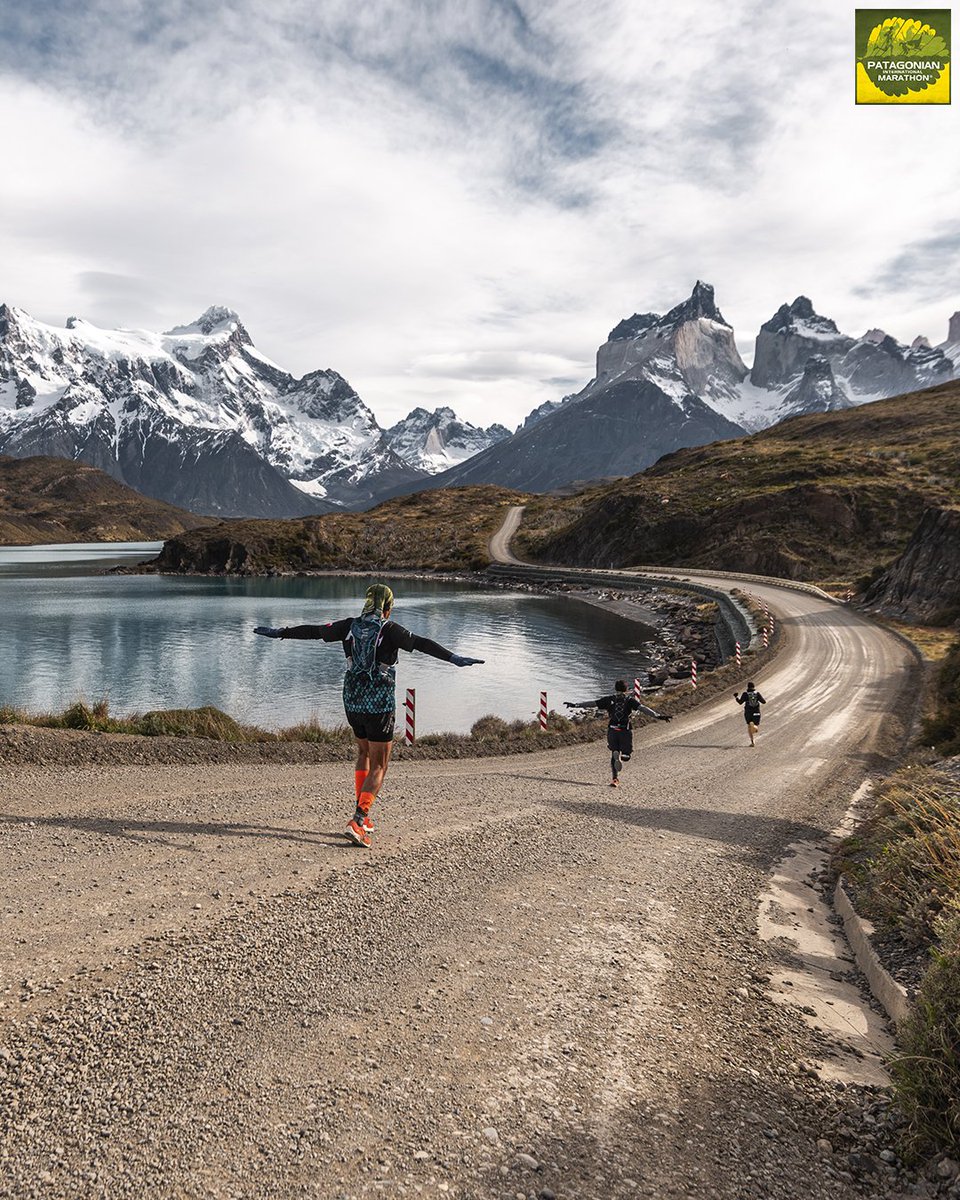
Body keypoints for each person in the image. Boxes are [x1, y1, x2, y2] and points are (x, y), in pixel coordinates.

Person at [254, 583, 483, 847]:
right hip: (379, 707)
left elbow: (315, 631)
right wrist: (453, 658)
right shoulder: (391, 630)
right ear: (388, 607)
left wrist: (281, 632)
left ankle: (364, 815)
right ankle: (358, 820)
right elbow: (422, 644)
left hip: (352, 703)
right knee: (380, 765)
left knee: (363, 754)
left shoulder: (348, 626)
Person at [564, 680, 671, 788]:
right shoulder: (630, 700)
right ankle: (624, 756)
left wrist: (575, 705)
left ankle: (615, 778)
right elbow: (643, 709)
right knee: (626, 756)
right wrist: (658, 716)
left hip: (612, 729)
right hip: (625, 730)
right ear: (626, 689)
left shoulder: (609, 699)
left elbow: (593, 703)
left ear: (615, 688)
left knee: (614, 752)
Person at [734, 682, 766, 746]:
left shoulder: (745, 694)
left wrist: (736, 697)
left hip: (748, 712)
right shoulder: (757, 693)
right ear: (754, 687)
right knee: (756, 725)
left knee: (749, 727)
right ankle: (755, 727)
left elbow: (740, 702)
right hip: (756, 712)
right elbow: (764, 702)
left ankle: (752, 742)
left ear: (747, 687)